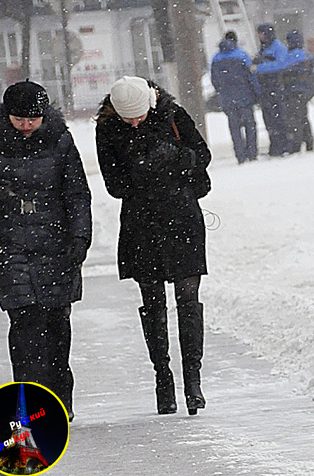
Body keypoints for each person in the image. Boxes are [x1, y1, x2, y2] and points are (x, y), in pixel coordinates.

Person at [0, 80, 92, 421]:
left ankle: (59, 396)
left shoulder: (60, 141)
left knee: (57, 324)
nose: (27, 126)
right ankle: (30, 403)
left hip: (55, 244)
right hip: (9, 244)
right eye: (19, 119)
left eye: (33, 119)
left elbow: (77, 194)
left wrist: (79, 238)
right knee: (25, 324)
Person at [94, 76, 211, 416]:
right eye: (127, 118)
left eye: (139, 116)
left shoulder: (173, 115)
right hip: (141, 223)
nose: (133, 122)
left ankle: (193, 381)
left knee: (188, 297)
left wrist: (172, 157)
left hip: (182, 216)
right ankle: (163, 378)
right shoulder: (108, 129)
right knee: (153, 301)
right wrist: (138, 164)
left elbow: (201, 155)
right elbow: (113, 184)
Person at [210, 30, 261, 164]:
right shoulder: (242, 55)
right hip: (245, 97)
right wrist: (256, 93)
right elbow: (251, 76)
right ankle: (252, 153)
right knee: (250, 125)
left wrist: (222, 92)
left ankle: (240, 155)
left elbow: (215, 80)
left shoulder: (216, 58)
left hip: (227, 99)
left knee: (234, 128)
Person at [252, 23, 290, 156]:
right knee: (269, 120)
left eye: (261, 33)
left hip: (276, 88)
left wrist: (261, 68)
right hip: (265, 90)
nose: (259, 36)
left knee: (278, 118)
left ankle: (284, 145)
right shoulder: (263, 49)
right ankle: (275, 145)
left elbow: (282, 64)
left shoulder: (278, 47)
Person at [282, 29, 314, 154]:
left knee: (294, 119)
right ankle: (309, 141)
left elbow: (282, 69)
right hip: (305, 90)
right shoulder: (306, 55)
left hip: (293, 91)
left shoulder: (290, 56)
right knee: (304, 116)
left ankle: (296, 144)